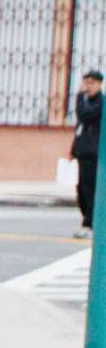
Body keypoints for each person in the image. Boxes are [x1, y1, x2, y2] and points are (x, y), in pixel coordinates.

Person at [73, 69, 101, 238]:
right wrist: (73, 150)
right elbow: (80, 127)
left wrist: (79, 96)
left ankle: (89, 224)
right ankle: (87, 221)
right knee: (81, 190)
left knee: (90, 190)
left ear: (99, 84)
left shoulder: (100, 103)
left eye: (92, 83)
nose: (88, 86)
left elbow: (84, 115)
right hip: (82, 152)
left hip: (94, 153)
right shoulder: (86, 101)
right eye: (86, 82)